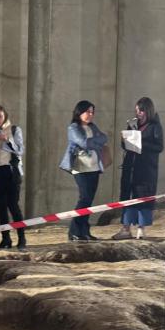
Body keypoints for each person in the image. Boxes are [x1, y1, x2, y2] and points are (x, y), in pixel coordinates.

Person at [112, 97, 164, 240]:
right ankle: (125, 228)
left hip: (146, 170)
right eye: (136, 110)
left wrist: (141, 143)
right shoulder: (132, 124)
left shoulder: (155, 127)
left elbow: (159, 147)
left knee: (143, 198)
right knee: (127, 197)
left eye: (141, 110)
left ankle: (141, 229)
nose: (138, 113)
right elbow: (126, 146)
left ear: (147, 110)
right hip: (130, 167)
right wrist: (125, 141)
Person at [59, 101, 108, 241]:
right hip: (80, 168)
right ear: (79, 112)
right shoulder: (73, 127)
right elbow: (84, 143)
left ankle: (85, 232)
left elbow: (105, 138)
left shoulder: (93, 127)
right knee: (84, 199)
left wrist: (94, 141)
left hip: (94, 167)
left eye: (92, 112)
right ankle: (74, 231)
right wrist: (95, 141)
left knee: (89, 201)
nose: (90, 115)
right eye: (88, 111)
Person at [0, 105, 26, 250]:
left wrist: (6, 139)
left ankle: (22, 238)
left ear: (5, 116)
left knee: (13, 205)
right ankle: (5, 239)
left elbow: (20, 150)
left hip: (11, 171)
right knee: (1, 207)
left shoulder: (14, 130)